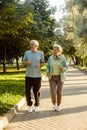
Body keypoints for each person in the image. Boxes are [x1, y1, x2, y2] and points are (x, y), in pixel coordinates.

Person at [23, 40, 44, 112]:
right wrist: (26, 62)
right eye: (30, 45)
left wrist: (40, 65)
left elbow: (42, 62)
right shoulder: (27, 52)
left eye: (32, 45)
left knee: (36, 91)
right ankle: (29, 105)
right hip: (28, 75)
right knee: (27, 91)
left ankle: (37, 105)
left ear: (36, 46)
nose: (31, 46)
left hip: (37, 76)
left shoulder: (41, 53)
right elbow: (23, 62)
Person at [46, 44, 68, 111]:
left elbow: (66, 67)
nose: (55, 51)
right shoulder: (50, 58)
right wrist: (47, 71)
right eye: (54, 50)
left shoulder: (63, 58)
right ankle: (54, 104)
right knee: (53, 92)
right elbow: (48, 66)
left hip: (60, 77)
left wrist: (63, 69)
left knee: (59, 92)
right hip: (52, 77)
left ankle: (58, 105)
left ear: (59, 51)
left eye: (56, 50)